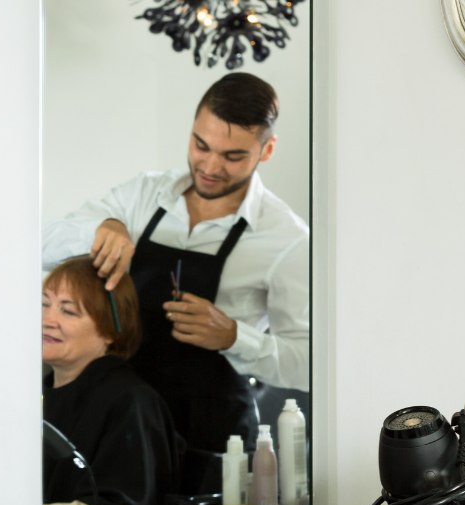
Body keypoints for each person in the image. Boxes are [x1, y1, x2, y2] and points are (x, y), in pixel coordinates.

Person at [42, 73, 309, 456]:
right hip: (118, 424)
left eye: (233, 156)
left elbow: (308, 365)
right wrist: (103, 228)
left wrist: (235, 337)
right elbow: (40, 246)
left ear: (266, 151)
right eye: (201, 145)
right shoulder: (141, 196)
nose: (211, 166)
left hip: (211, 439)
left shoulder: (288, 238)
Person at [42, 257, 180, 505]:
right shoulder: (37, 394)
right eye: (44, 305)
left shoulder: (131, 402)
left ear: (108, 329)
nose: (46, 320)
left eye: (67, 311)